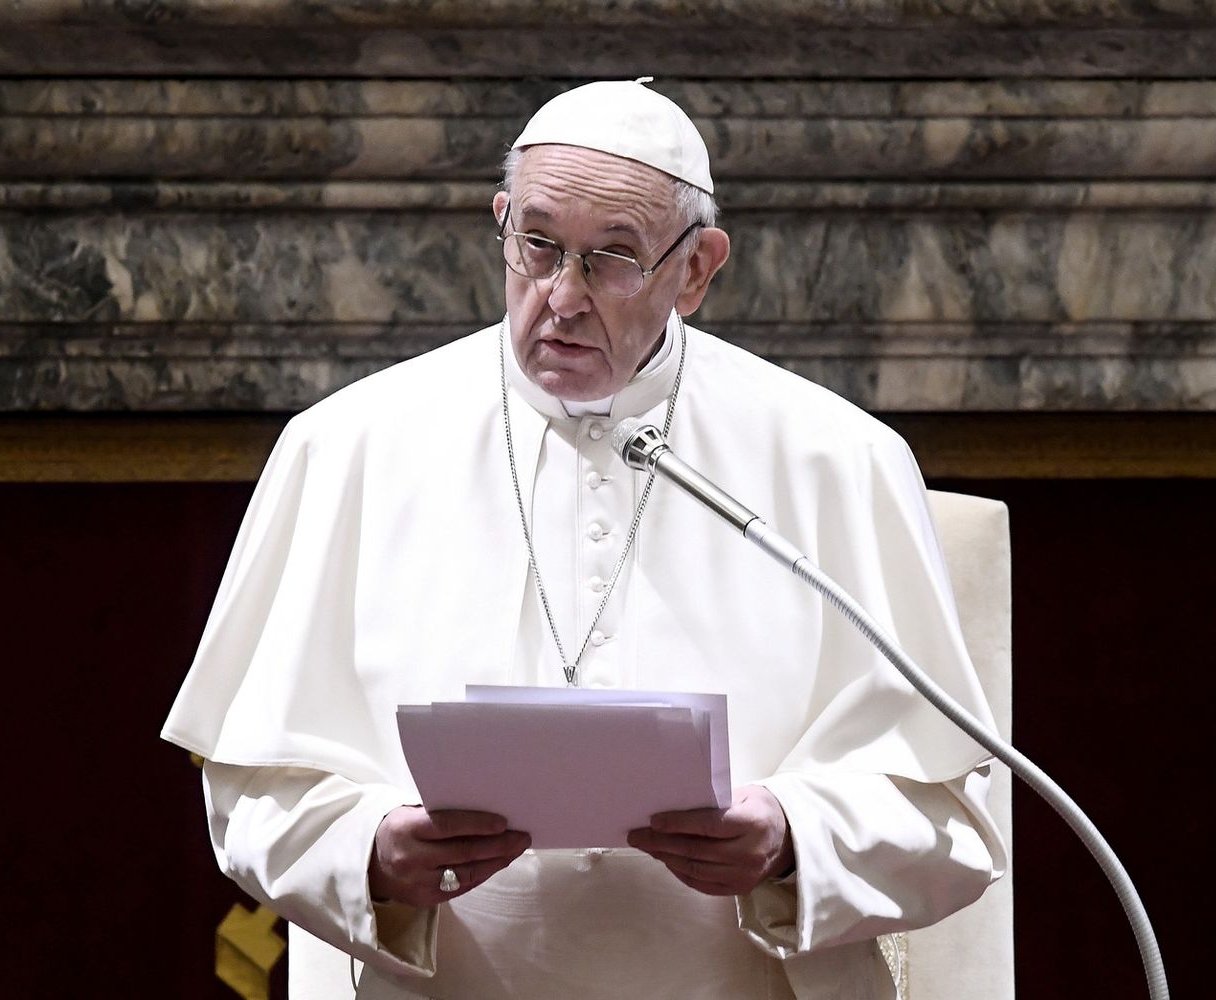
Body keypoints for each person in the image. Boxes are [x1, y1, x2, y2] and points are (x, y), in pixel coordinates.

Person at [162, 80, 1005, 1000]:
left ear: (697, 269)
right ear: (500, 219)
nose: (561, 297)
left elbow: (951, 822)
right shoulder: (347, 447)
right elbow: (251, 793)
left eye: (612, 257)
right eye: (536, 244)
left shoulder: (836, 459)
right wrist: (369, 851)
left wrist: (793, 839)